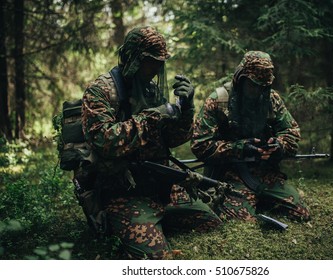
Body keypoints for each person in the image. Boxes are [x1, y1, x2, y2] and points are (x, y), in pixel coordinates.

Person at [81, 26, 221, 259]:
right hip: (122, 191)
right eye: (151, 62)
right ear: (133, 58)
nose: (157, 69)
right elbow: (103, 141)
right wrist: (154, 116)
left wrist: (186, 108)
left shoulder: (150, 90)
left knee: (210, 222)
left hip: (158, 184)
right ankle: (133, 223)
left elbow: (173, 139)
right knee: (156, 259)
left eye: (160, 62)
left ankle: (155, 219)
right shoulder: (101, 91)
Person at [191, 51, 310, 222]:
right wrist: (238, 148)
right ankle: (242, 200)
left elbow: (291, 133)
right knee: (241, 220)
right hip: (230, 174)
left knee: (302, 214)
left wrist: (279, 146)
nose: (257, 91)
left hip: (265, 173)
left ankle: (260, 199)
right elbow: (199, 145)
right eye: (253, 85)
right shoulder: (218, 101)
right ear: (241, 79)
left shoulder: (271, 99)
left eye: (262, 86)